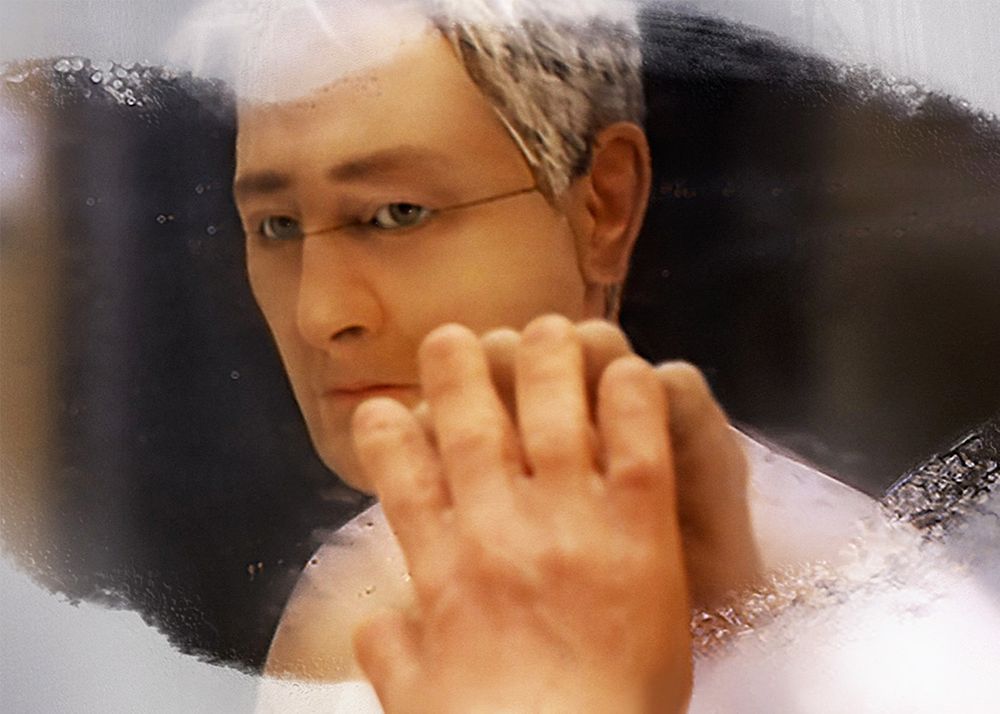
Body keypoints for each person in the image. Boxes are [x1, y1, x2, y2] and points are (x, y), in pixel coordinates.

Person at [175, 0, 877, 709]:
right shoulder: (362, 592)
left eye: (397, 214)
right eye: (277, 226)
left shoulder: (854, 606)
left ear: (604, 206)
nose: (320, 314)